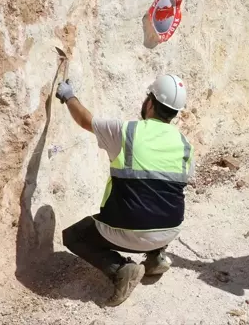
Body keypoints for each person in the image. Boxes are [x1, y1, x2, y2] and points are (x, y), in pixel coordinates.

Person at [54, 73, 195, 306]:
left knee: (73, 236)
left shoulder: (126, 132)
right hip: (170, 229)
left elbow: (85, 120)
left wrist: (68, 96)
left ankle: (121, 269)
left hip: (128, 230)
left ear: (150, 102)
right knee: (159, 200)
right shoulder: (185, 145)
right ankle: (156, 257)